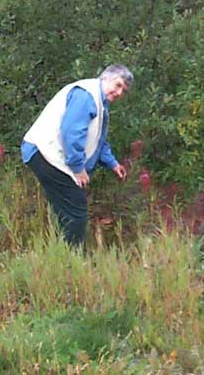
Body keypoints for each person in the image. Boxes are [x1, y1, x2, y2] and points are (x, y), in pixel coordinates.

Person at [21, 64, 133, 247]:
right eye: (118, 85)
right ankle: (71, 261)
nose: (120, 92)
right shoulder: (87, 96)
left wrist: (112, 163)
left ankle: (58, 255)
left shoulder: (99, 102)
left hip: (47, 154)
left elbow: (97, 139)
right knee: (76, 210)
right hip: (44, 152)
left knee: (66, 211)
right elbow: (71, 134)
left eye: (124, 90)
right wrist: (78, 168)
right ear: (105, 77)